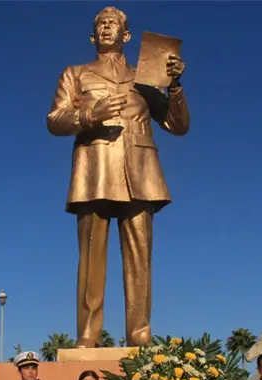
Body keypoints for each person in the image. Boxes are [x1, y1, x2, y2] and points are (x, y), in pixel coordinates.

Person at [46, 6, 190, 347]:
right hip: (94, 169)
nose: (106, 28)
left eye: (114, 24)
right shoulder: (76, 73)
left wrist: (175, 87)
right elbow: (55, 119)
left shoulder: (146, 76)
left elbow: (178, 125)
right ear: (92, 35)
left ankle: (139, 334)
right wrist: (89, 115)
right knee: (91, 258)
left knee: (140, 259)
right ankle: (87, 334)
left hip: (140, 170)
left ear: (126, 36)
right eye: (101, 24)